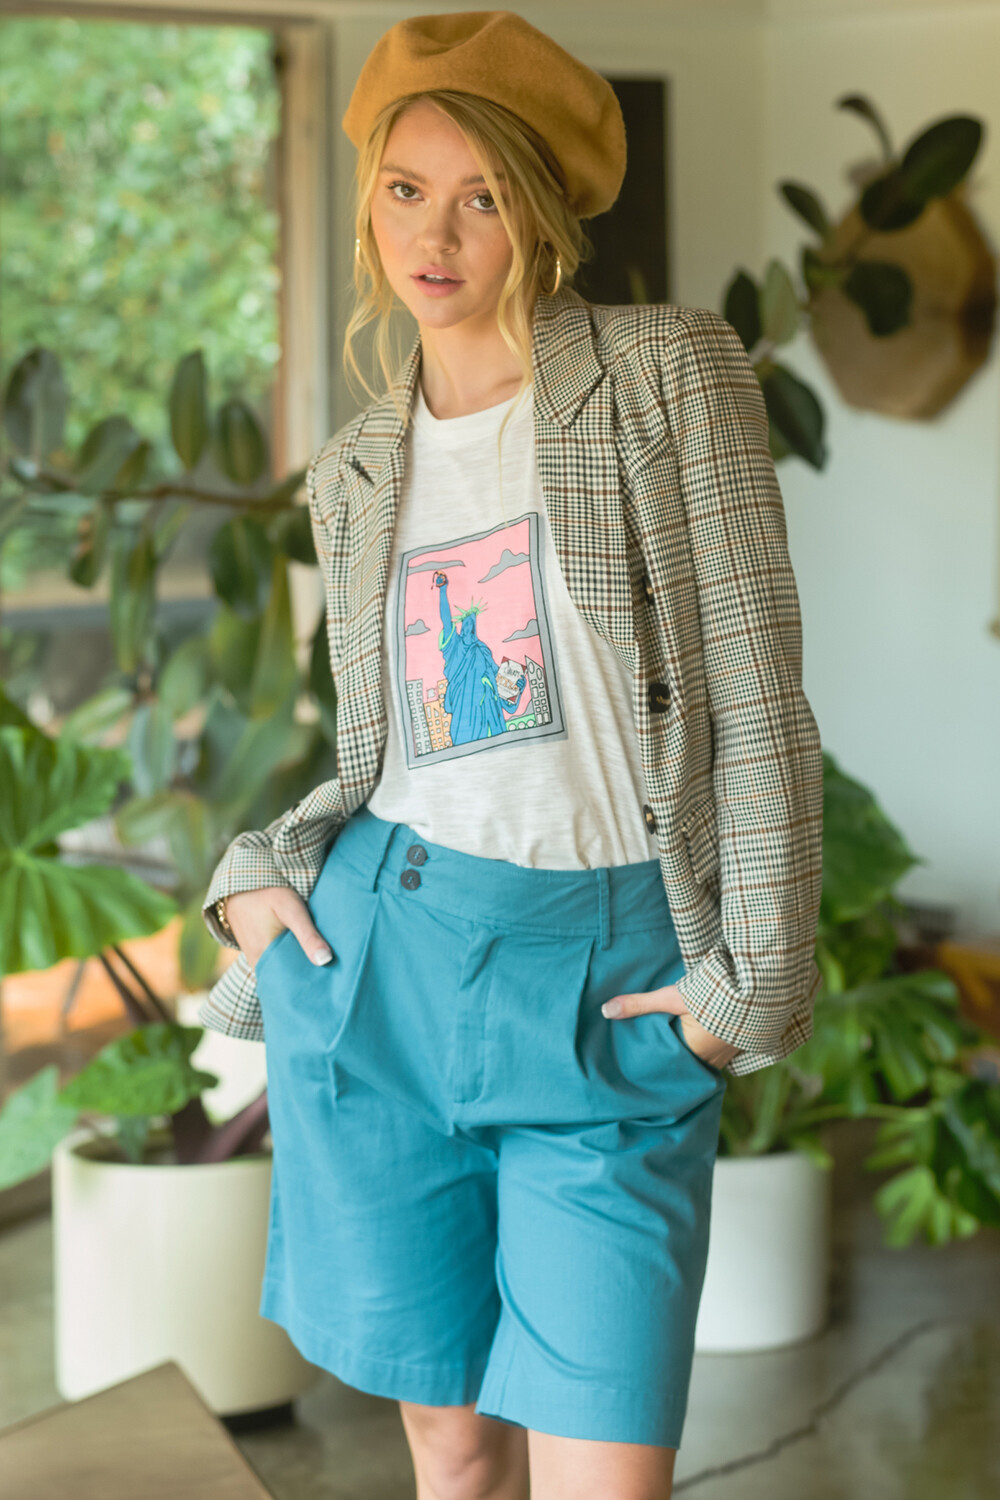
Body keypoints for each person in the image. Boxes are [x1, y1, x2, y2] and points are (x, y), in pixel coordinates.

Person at [199, 11, 824, 1497]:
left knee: (606, 1469)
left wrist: (746, 995)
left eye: (481, 197)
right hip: (386, 963)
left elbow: (757, 695)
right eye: (407, 190)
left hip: (613, 979)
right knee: (455, 1453)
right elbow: (385, 748)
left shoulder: (665, 376)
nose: (437, 234)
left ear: (538, 215)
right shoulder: (354, 468)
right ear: (370, 206)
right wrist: (257, 879)